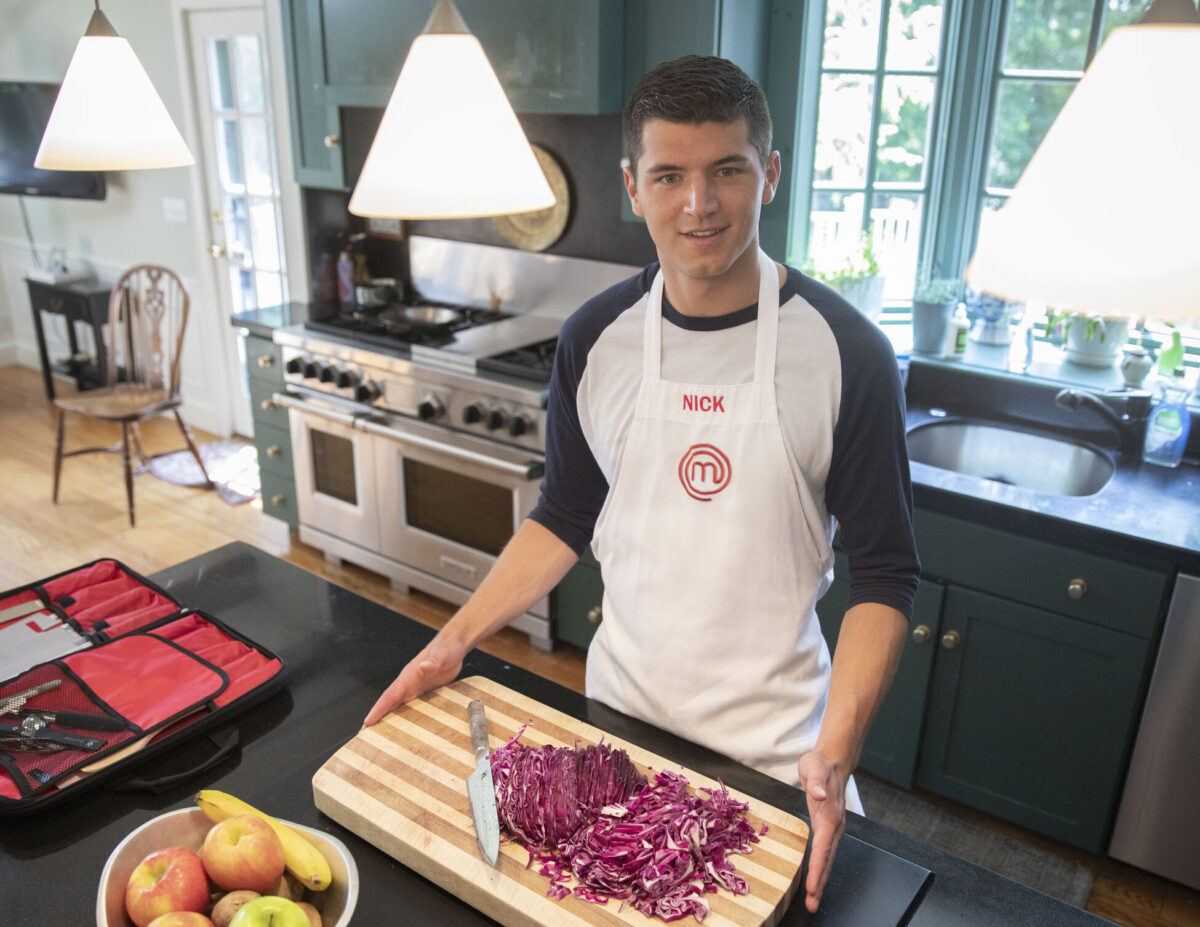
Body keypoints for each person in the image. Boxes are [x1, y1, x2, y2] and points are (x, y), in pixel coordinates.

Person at [364, 54, 920, 914]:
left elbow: (885, 575)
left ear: (768, 174)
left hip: (777, 755)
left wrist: (836, 748)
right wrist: (454, 640)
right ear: (633, 185)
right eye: (669, 176)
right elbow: (562, 518)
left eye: (726, 171)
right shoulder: (596, 338)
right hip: (616, 732)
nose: (698, 205)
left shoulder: (847, 354)